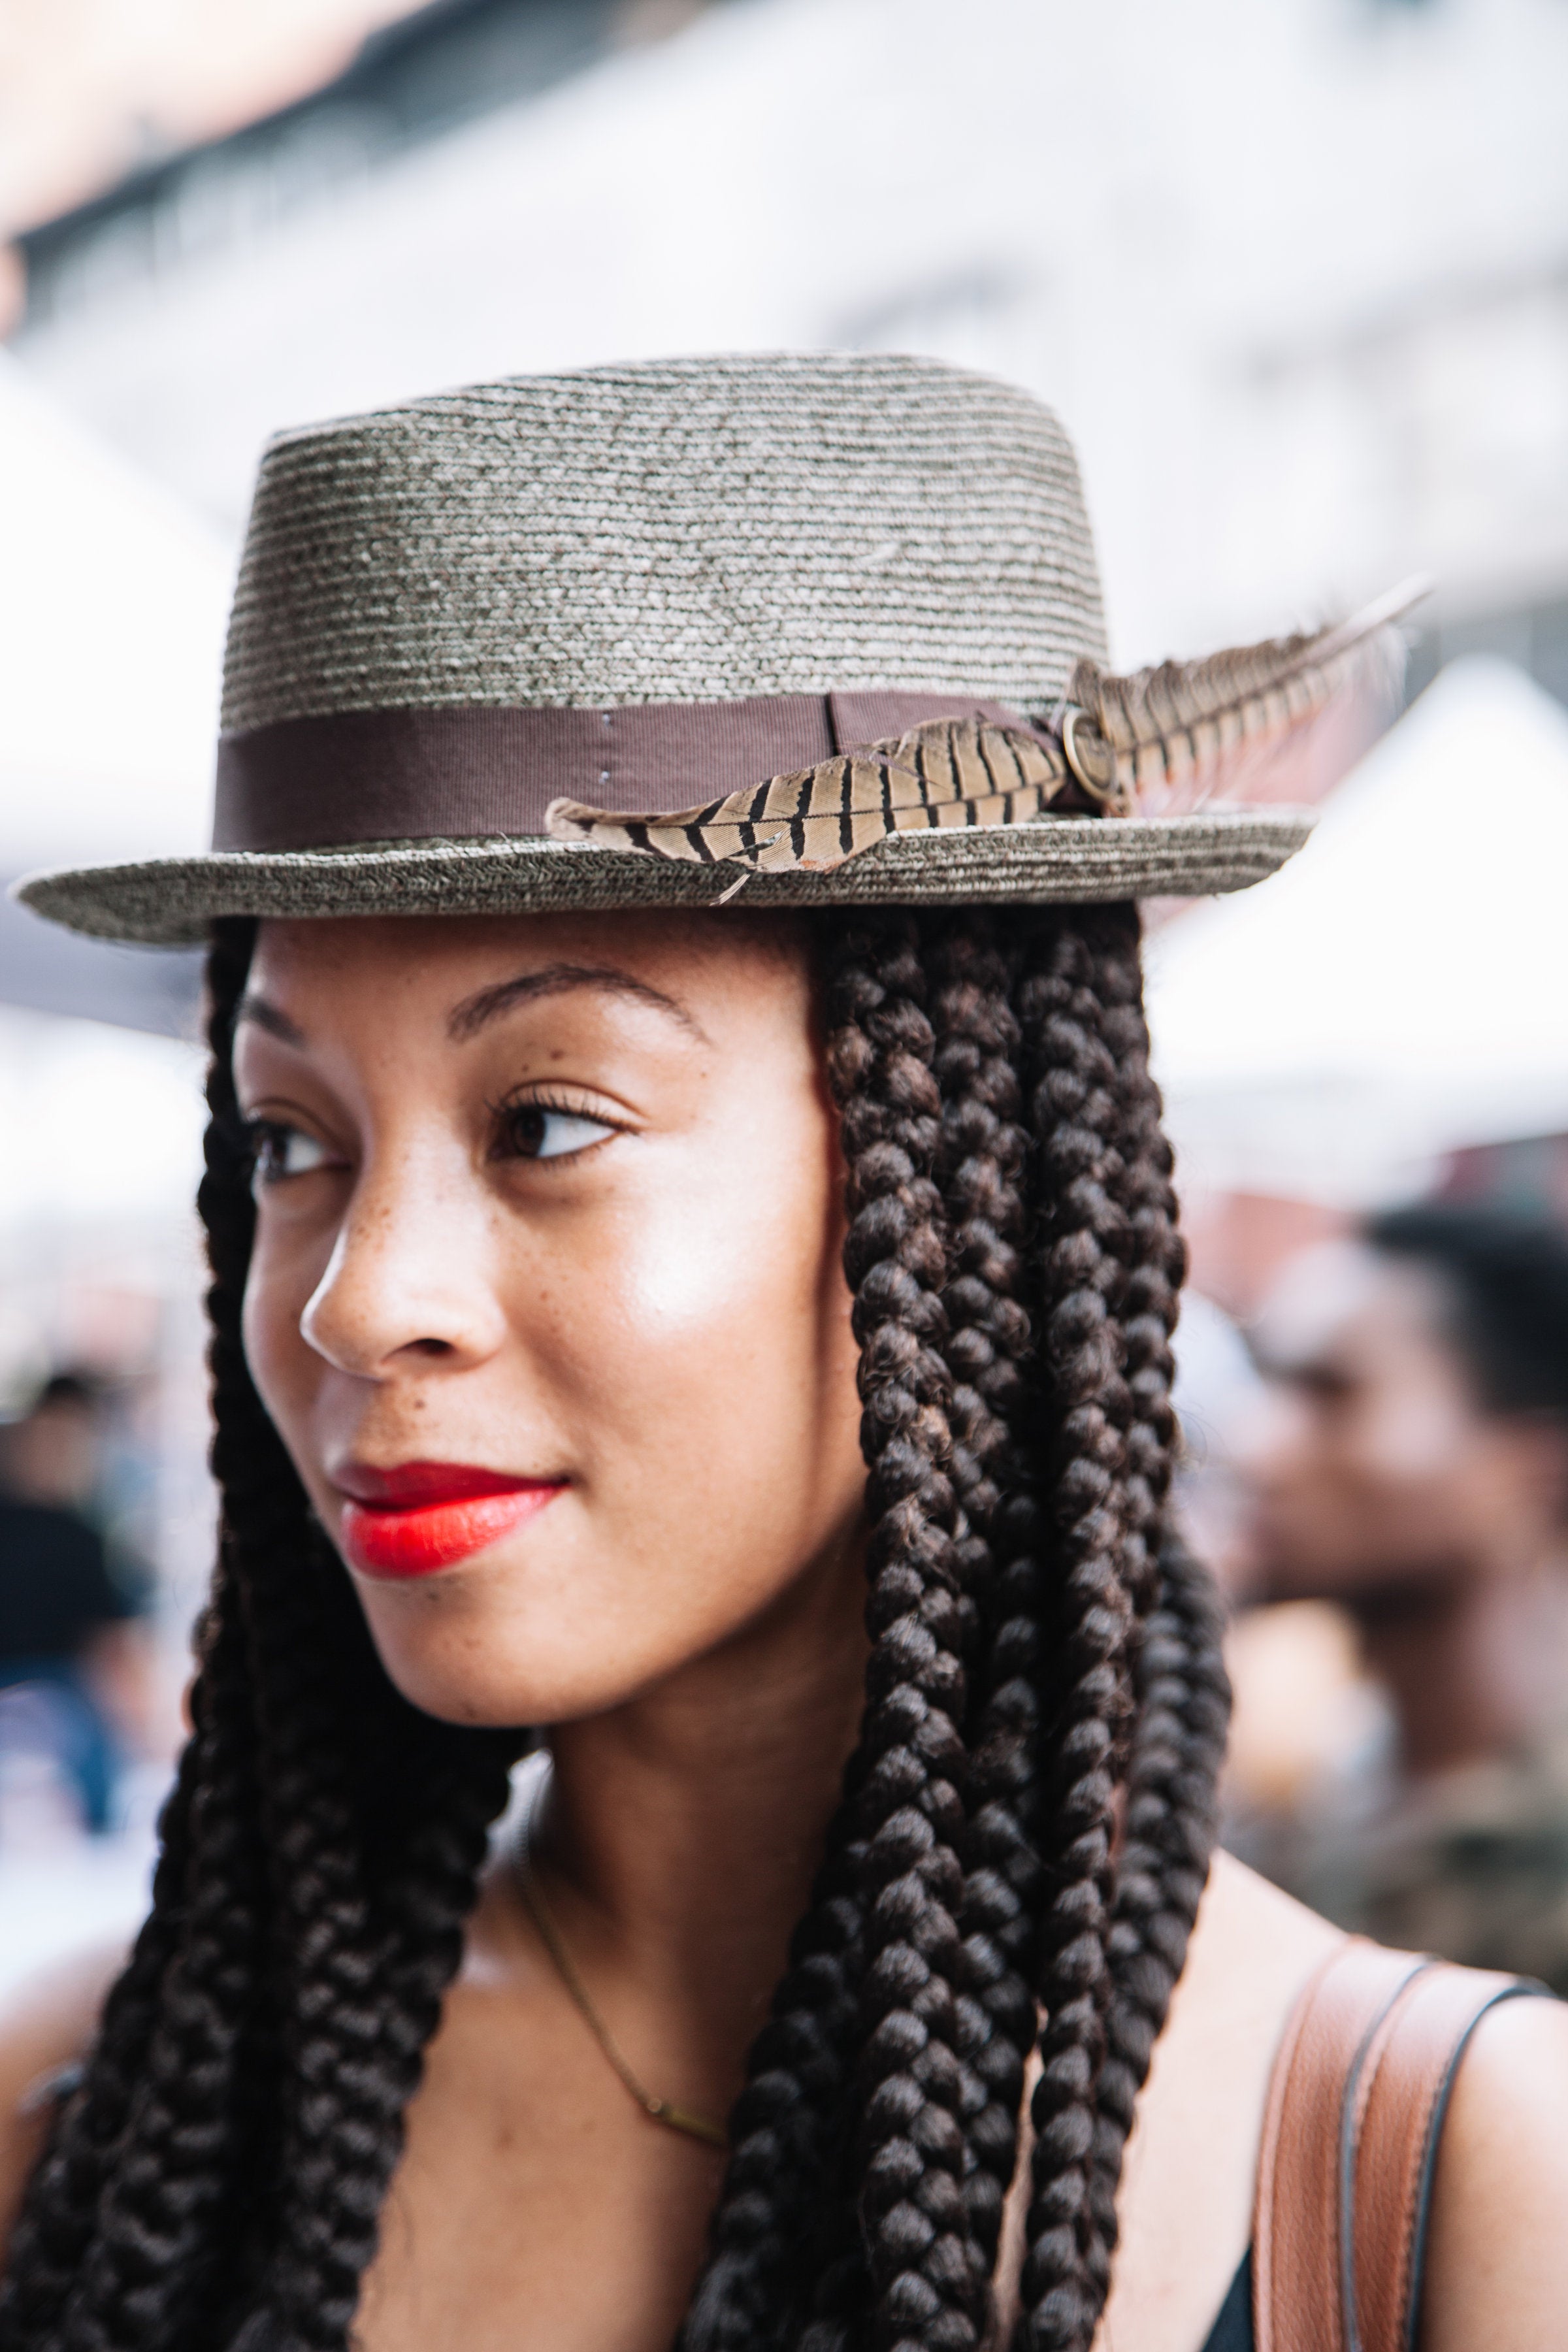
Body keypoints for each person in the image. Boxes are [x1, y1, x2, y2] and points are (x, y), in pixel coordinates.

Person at [1, 356, 1563, 2352]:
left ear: (959, 1179)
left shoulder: (1438, 2187)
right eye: (291, 1143)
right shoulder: (79, 2123)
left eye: (547, 1121)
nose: (354, 1294)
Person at [1237, 1202, 1568, 1992]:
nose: (1261, 1453)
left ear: (1521, 1476)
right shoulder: (1310, 1793)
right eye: (1272, 1386)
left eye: (1335, 1396)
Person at [0, 1374, 150, 1835]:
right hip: (60, 1697)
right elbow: (114, 1652)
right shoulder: (78, 1535)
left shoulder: (82, 1536)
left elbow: (112, 1648)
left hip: (63, 1697)